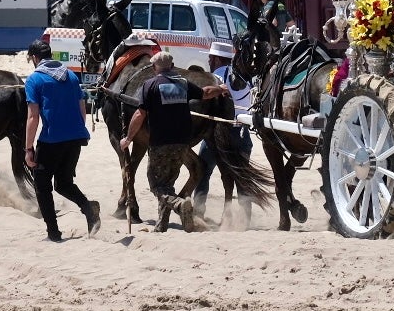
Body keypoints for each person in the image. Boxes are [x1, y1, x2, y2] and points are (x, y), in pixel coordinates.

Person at [119, 51, 229, 232]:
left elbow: (140, 114)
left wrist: (128, 138)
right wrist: (221, 89)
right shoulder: (183, 84)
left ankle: (179, 204)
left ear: (155, 68)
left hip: (160, 143)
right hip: (183, 144)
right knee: (168, 183)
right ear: (171, 66)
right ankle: (161, 225)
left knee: (156, 185)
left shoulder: (150, 85)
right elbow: (206, 92)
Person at [24, 39, 101, 243]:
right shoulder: (71, 76)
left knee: (42, 185)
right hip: (76, 136)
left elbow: (33, 117)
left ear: (34, 57)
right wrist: (75, 130)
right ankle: (88, 207)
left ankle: (54, 233)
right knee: (64, 183)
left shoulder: (34, 79)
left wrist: (28, 148)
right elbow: (82, 108)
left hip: (51, 140)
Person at [194, 41, 253, 219]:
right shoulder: (245, 78)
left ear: (217, 60)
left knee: (203, 170)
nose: (209, 61)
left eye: (211, 58)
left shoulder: (216, 76)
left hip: (219, 132)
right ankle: (245, 217)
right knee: (242, 177)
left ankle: (198, 210)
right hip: (242, 133)